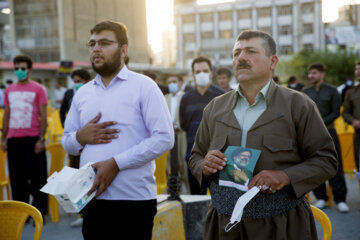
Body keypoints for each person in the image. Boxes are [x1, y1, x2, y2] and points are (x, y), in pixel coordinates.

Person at [189, 30, 337, 239]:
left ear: (272, 61)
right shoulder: (214, 108)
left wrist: (285, 176)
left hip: (282, 225)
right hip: (224, 225)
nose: (241, 58)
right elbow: (195, 157)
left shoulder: (298, 105)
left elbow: (326, 160)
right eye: (236, 53)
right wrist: (204, 165)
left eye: (250, 51)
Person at [61, 20, 174, 239]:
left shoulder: (144, 87)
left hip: (133, 200)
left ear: (123, 49)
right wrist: (80, 137)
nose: (96, 48)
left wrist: (116, 163)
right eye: (92, 43)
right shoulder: (82, 93)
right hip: (91, 198)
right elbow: (68, 142)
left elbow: (164, 138)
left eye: (104, 43)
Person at [1, 55, 48, 217]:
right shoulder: (9, 90)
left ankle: (39, 212)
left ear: (29, 69)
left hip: (33, 140)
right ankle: (21, 213)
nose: (19, 71)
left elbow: (43, 115)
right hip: (14, 141)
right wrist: (3, 138)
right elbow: (7, 114)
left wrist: (41, 139)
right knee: (17, 179)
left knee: (38, 178)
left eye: (22, 68)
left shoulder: (39, 89)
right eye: (16, 68)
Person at [303, 63, 349, 213]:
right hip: (311, 135)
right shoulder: (305, 91)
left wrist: (319, 123)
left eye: (314, 73)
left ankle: (340, 199)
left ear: (322, 74)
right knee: (314, 165)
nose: (311, 76)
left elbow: (336, 112)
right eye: (309, 73)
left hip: (329, 132)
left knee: (336, 165)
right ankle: (321, 197)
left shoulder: (332, 90)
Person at [180, 56, 224, 195]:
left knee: (218, 201)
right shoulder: (186, 98)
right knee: (196, 199)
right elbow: (184, 125)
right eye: (198, 71)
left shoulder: (222, 97)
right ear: (193, 75)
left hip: (218, 160)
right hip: (193, 159)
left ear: (211, 73)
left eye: (205, 70)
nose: (201, 74)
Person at [164, 74, 190, 193]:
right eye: (169, 82)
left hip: (181, 133)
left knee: (182, 161)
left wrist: (178, 126)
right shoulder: (165, 98)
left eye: (174, 81)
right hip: (168, 135)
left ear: (180, 83)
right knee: (169, 162)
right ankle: (171, 189)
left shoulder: (185, 97)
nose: (172, 84)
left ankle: (187, 190)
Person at [342, 61, 360, 171]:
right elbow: (345, 112)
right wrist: (353, 121)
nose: (358, 72)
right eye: (356, 69)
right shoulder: (351, 91)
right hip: (358, 135)